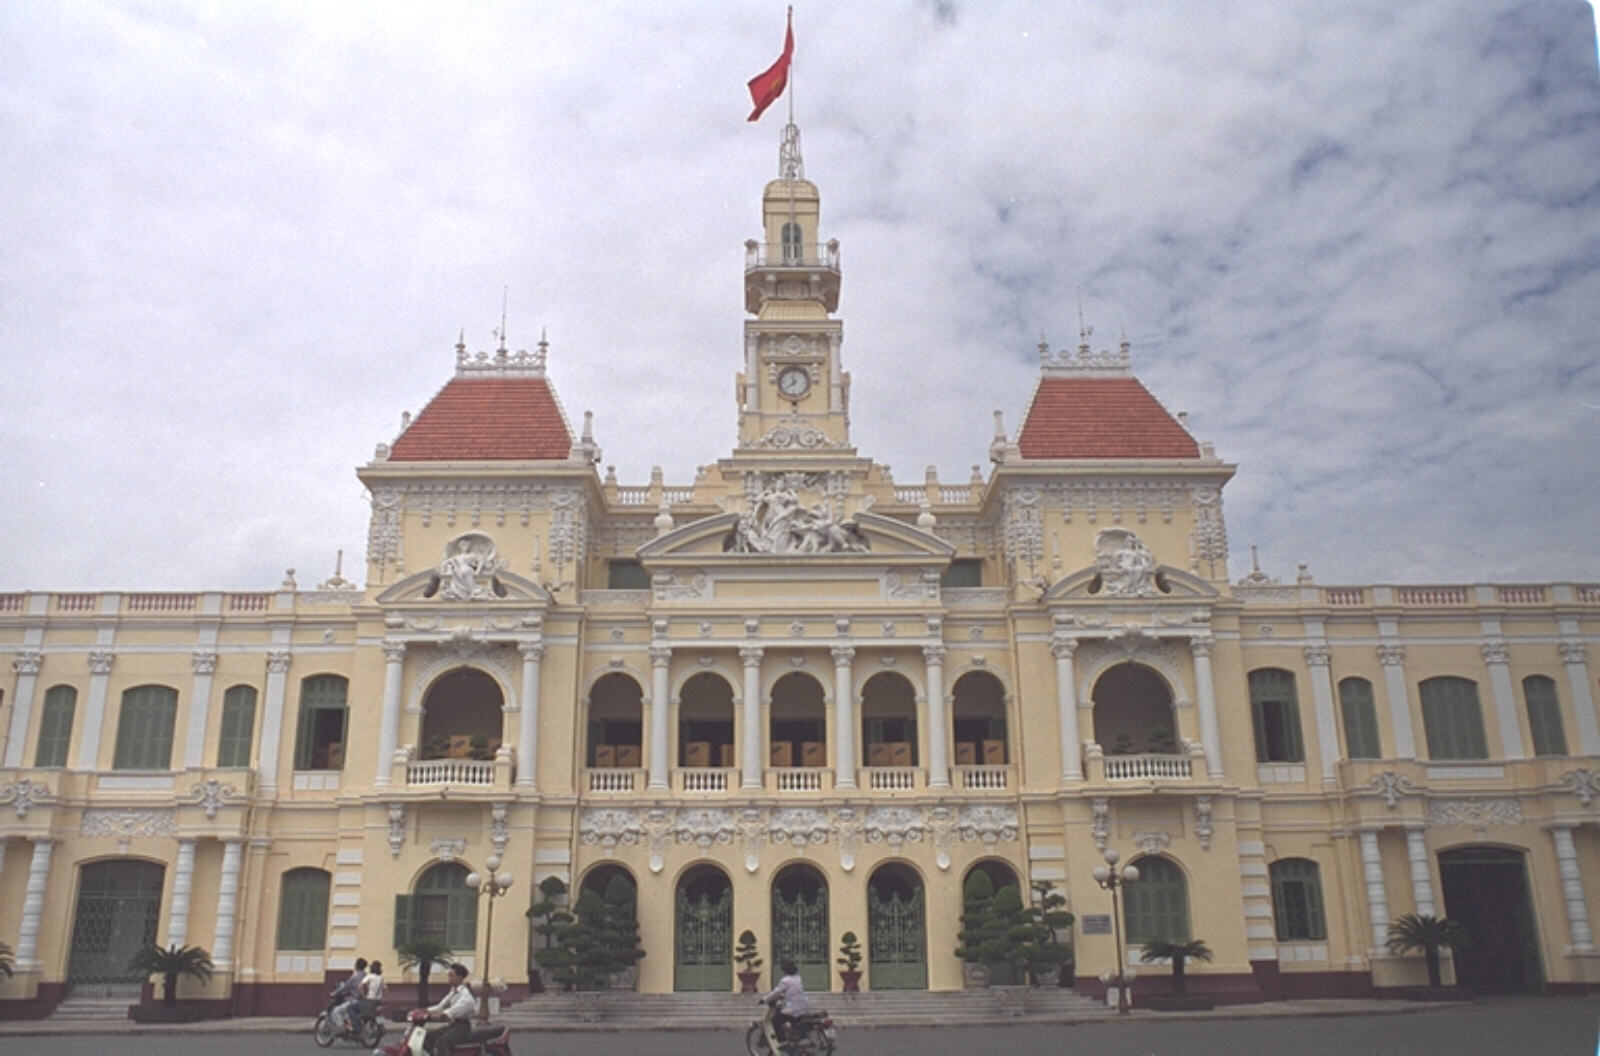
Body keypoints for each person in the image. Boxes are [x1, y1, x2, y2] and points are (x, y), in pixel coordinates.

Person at [424, 962, 477, 1056]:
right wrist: (424, 1011)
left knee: (441, 1043)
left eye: (451, 975)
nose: (449, 978)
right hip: (453, 1025)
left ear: (460, 977)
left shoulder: (466, 996)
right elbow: (440, 1006)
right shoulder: (453, 992)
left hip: (462, 1027)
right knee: (428, 1037)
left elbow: (454, 1010)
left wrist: (442, 1014)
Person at [763, 959, 810, 1047]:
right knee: (794, 1020)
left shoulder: (785, 981)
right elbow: (794, 991)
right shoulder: (798, 978)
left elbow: (775, 992)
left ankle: (783, 1042)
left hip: (794, 1008)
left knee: (775, 1021)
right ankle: (799, 1037)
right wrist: (784, 996)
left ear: (784, 970)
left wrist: (764, 999)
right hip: (804, 1006)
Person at [331, 957, 368, 1031]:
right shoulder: (366, 975)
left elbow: (345, 986)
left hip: (356, 1000)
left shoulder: (355, 977)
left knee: (336, 1011)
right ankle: (349, 1024)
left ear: (356, 966)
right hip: (365, 1000)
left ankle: (342, 1028)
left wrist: (334, 993)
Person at [352, 959, 386, 1032]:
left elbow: (360, 987)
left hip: (370, 1000)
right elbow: (386, 991)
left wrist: (364, 996)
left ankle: (356, 1027)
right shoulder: (381, 978)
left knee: (351, 1008)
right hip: (378, 1001)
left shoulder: (369, 976)